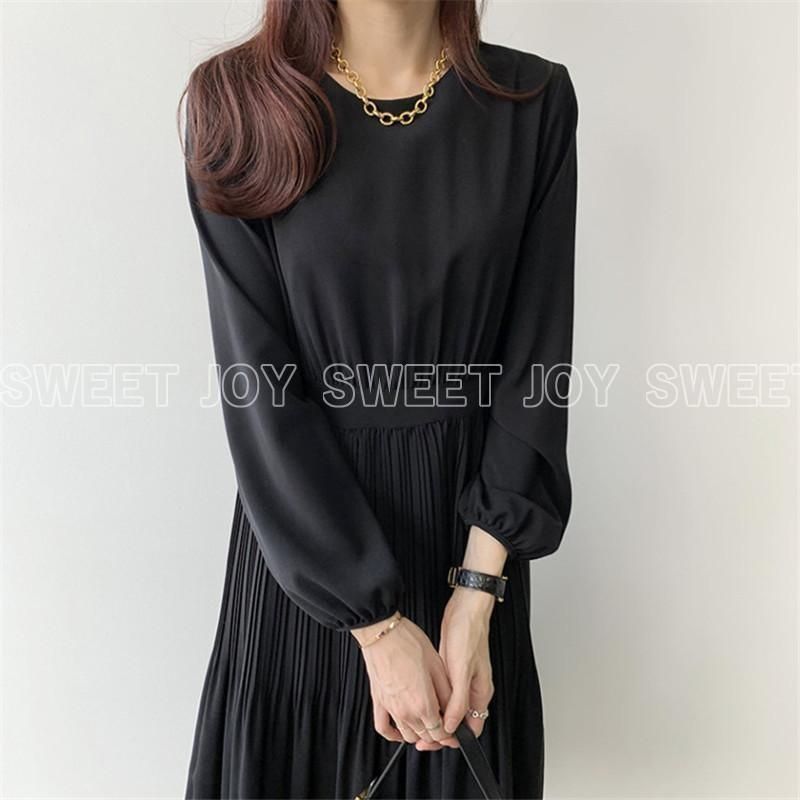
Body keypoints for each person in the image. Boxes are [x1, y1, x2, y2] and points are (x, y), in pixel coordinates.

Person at [180, 0, 578, 797]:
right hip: (306, 559)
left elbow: (536, 363)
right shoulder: (236, 102)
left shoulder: (531, 101)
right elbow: (260, 390)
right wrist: (375, 624)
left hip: (472, 553)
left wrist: (477, 595)